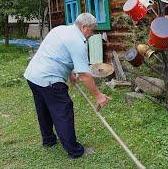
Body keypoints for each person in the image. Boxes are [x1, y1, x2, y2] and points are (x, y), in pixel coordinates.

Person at [24, 13, 110, 159]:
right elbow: (84, 75)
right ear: (84, 27)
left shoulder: (61, 29)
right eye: (92, 29)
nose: (92, 33)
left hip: (33, 75)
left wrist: (69, 73)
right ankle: (75, 151)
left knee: (43, 108)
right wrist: (98, 95)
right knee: (63, 112)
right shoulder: (78, 42)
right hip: (49, 80)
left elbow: (59, 53)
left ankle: (48, 140)